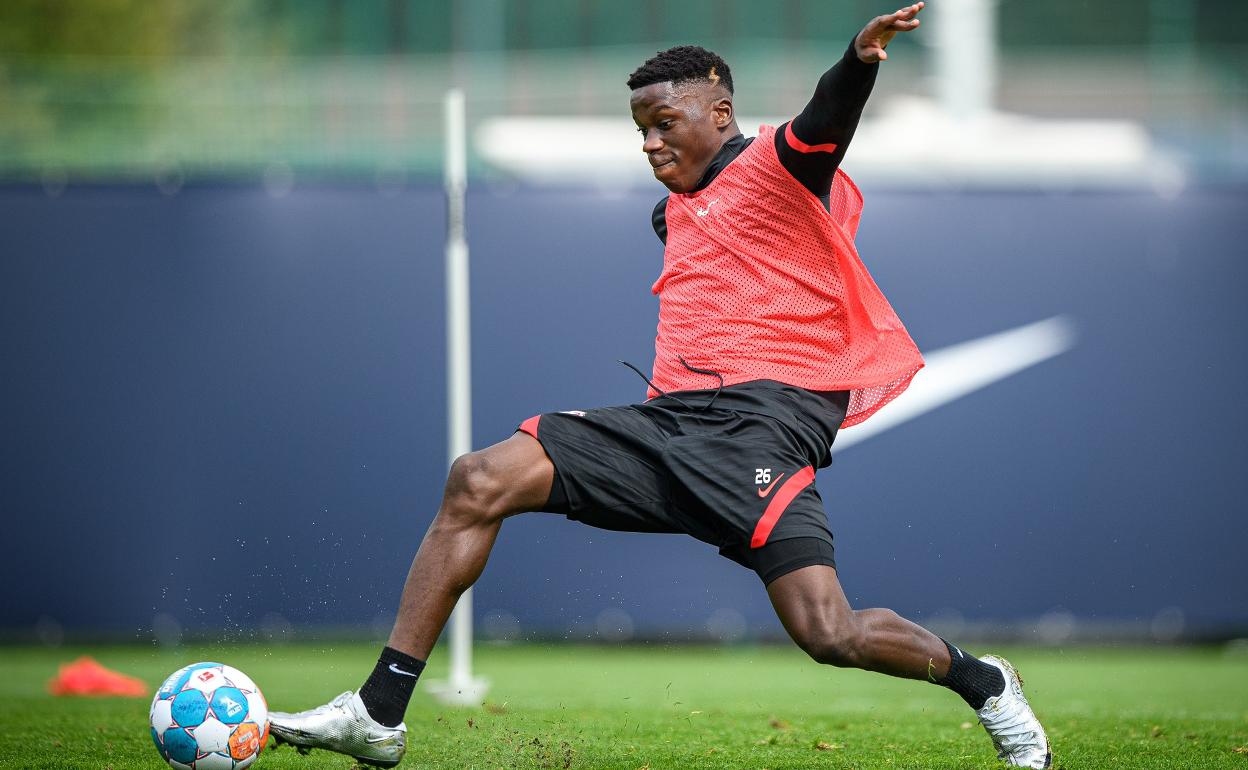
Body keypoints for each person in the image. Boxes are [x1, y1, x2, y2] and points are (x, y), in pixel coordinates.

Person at [269, 4, 1051, 768]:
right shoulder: (679, 210)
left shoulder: (777, 164)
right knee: (477, 479)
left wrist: (857, 60)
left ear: (720, 110)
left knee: (829, 634)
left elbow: (825, 122)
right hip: (670, 423)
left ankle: (984, 681)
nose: (649, 141)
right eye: (640, 127)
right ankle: (378, 713)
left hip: (762, 430)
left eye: (664, 122)